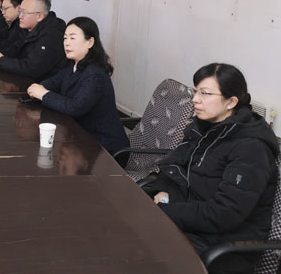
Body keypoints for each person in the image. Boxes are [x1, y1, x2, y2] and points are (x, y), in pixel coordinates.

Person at [146, 63, 278, 274]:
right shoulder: (204, 128)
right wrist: (161, 190)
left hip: (223, 247)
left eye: (205, 93)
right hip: (192, 225)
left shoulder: (251, 148)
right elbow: (174, 165)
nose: (195, 99)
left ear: (231, 102)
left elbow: (224, 214)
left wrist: (166, 209)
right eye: (195, 91)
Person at [26, 16, 129, 154]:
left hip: (104, 146)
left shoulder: (95, 73)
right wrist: (38, 90)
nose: (67, 43)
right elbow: (50, 83)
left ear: (90, 42)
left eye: (72, 38)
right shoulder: (73, 65)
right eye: (65, 38)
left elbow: (75, 107)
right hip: (80, 136)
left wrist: (44, 94)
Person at [0, 0, 66, 80]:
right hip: (25, 79)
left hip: (41, 84)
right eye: (20, 11)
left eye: (24, 13)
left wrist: (1, 60)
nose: (20, 16)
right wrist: (0, 54)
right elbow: (17, 47)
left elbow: (33, 68)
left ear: (39, 16)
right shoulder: (29, 27)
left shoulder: (52, 35)